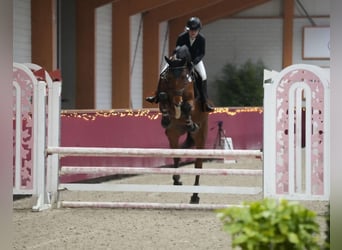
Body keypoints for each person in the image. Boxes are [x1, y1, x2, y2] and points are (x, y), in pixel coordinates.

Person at [145, 17, 214, 112]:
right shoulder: (182, 37)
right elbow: (177, 50)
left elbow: (202, 53)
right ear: (188, 30)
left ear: (198, 30)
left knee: (203, 76)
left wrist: (194, 62)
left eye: (195, 30)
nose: (193, 32)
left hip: (195, 60)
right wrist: (175, 59)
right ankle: (156, 95)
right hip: (180, 60)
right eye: (191, 30)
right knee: (163, 72)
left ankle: (205, 100)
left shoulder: (201, 39)